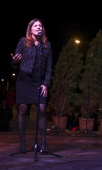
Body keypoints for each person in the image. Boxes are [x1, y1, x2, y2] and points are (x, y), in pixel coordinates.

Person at [11, 18, 52, 154]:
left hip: (39, 81)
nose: (38, 27)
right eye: (35, 25)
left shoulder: (46, 45)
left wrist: (46, 83)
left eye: (40, 25)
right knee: (22, 109)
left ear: (42, 29)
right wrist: (15, 62)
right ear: (31, 29)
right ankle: (22, 143)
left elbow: (49, 67)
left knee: (41, 109)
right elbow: (14, 63)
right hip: (24, 80)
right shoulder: (23, 42)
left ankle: (43, 144)